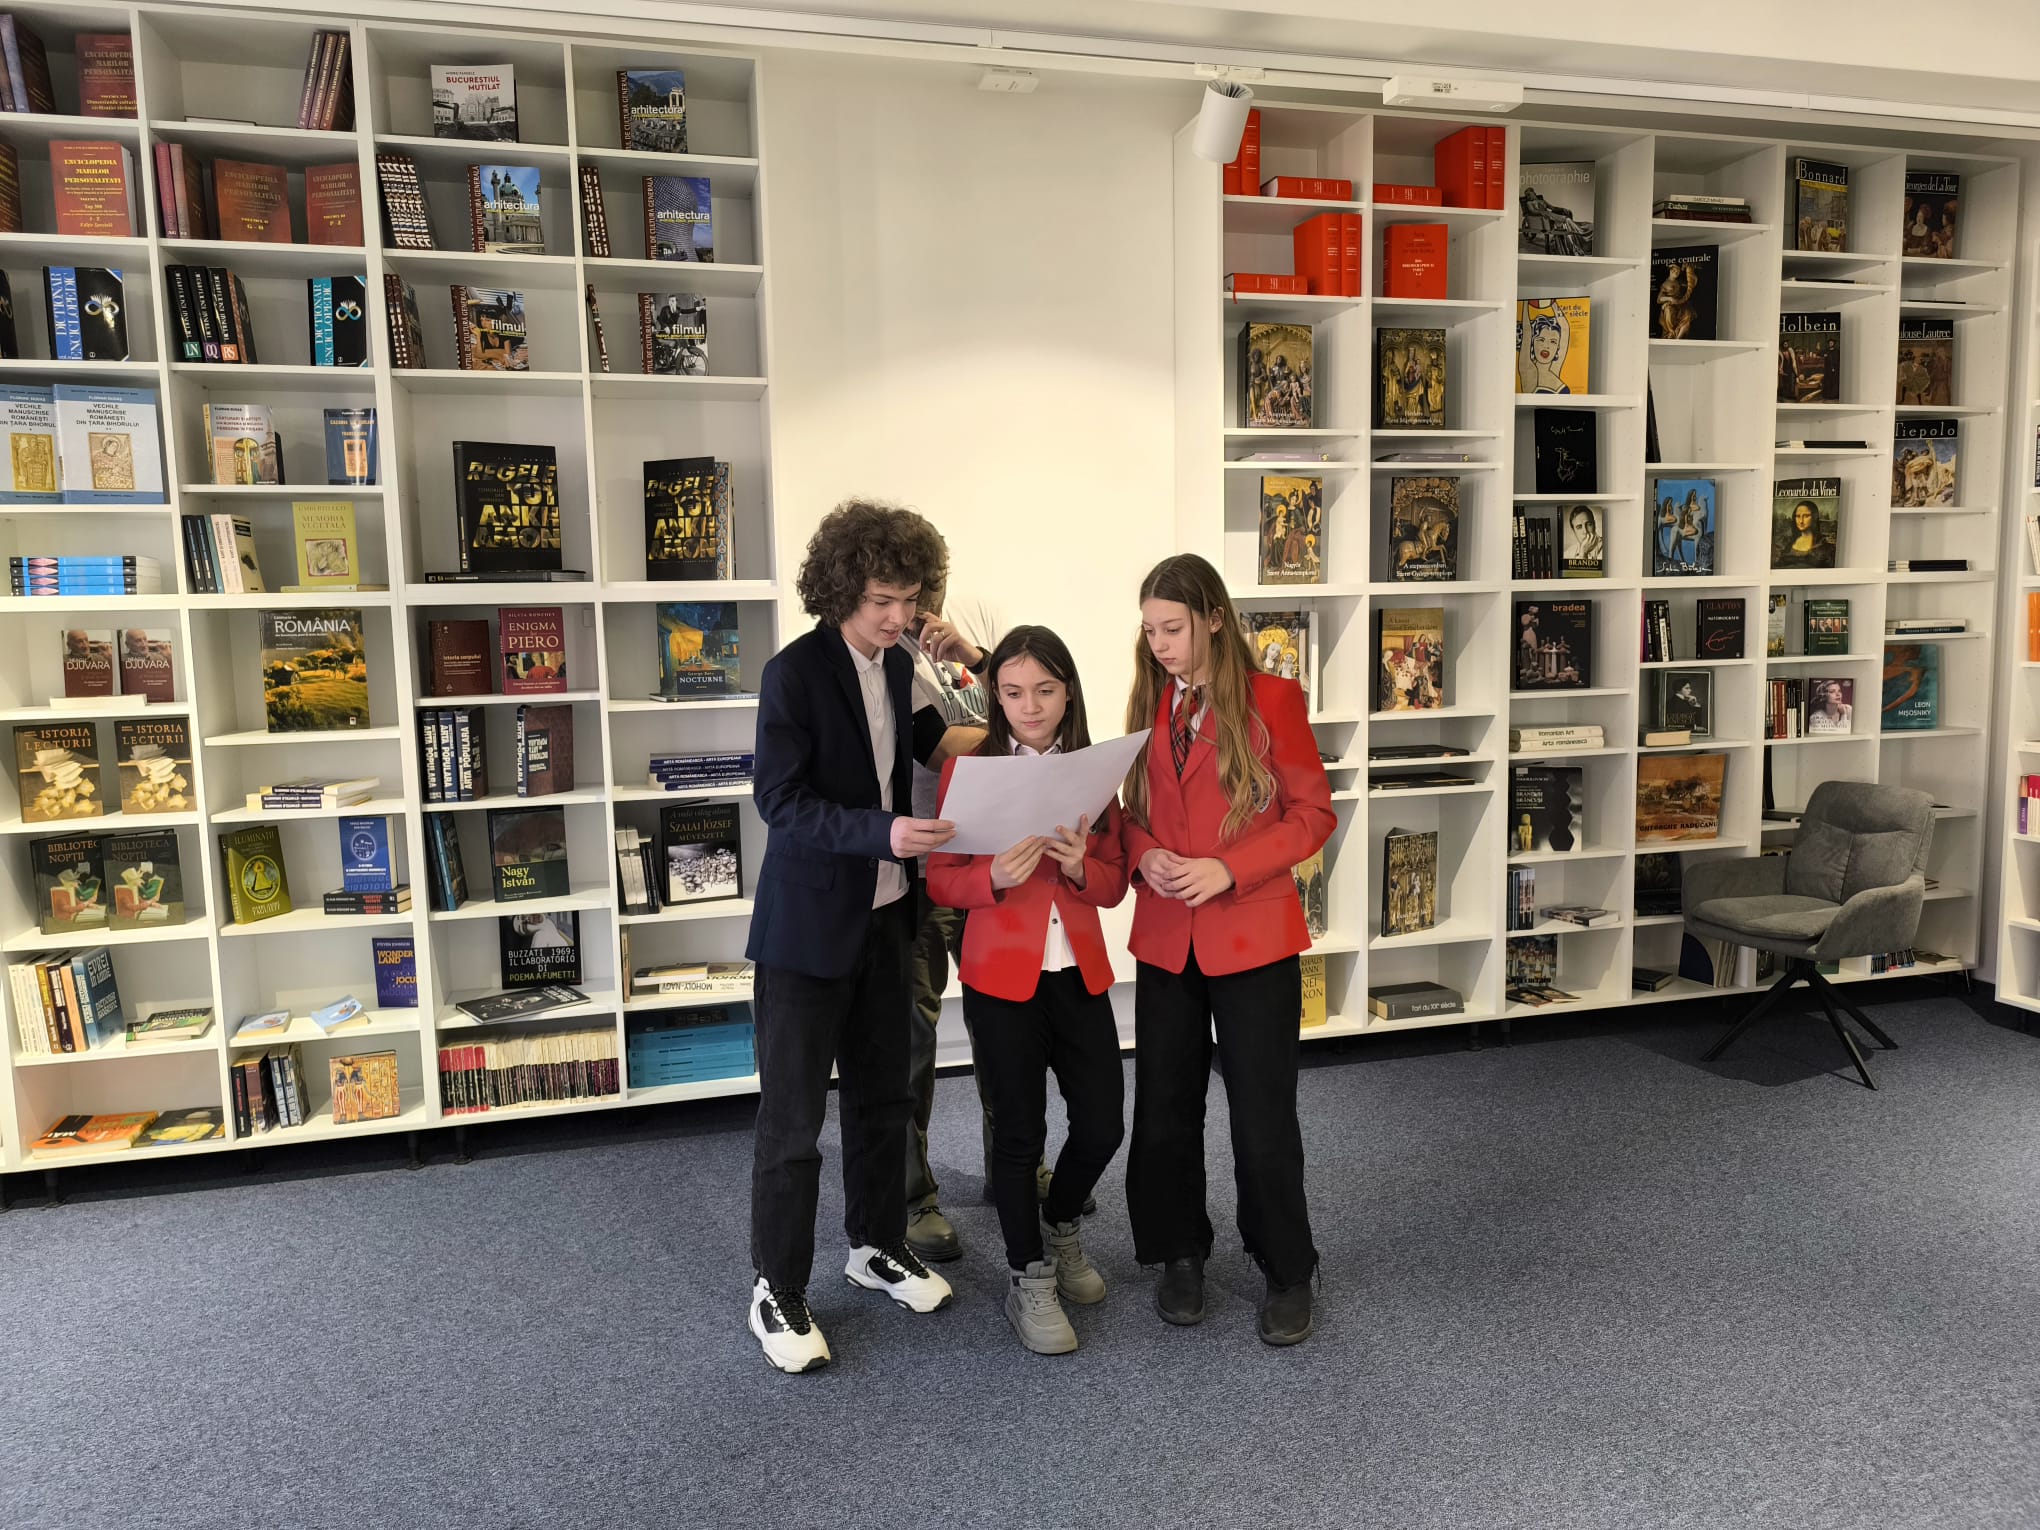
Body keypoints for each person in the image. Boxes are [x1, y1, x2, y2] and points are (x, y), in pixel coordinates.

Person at [743, 499, 980, 1375]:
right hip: (806, 933)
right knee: (793, 1121)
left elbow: (953, 746)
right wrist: (883, 832)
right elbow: (780, 801)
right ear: (842, 588)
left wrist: (982, 664)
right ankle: (776, 1286)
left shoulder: (903, 664)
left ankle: (876, 1244)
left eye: (910, 599)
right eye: (883, 599)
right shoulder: (793, 674)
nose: (898, 616)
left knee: (885, 1101)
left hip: (889, 921)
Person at [1118, 553, 1335, 1346]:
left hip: (1252, 932)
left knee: (1263, 1117)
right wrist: (1142, 853)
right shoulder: (1147, 699)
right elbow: (1126, 811)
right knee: (1163, 1112)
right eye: (1150, 630)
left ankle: (1288, 1268)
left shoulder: (1274, 699)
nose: (1159, 644)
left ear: (1213, 618)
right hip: (1166, 937)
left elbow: (1313, 816)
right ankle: (1179, 1253)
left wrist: (1228, 868)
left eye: (1172, 628)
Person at [927, 626, 1128, 1354]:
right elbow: (940, 879)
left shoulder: (1095, 773)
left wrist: (1078, 867)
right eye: (1013, 692)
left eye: (1044, 690)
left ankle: (1062, 1224)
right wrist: (991, 876)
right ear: (996, 695)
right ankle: (1029, 1274)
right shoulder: (968, 771)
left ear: (1068, 692)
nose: (1030, 706)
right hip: (1001, 978)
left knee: (1103, 1124)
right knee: (1018, 1136)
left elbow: (1113, 883)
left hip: (1078, 972)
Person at [897, 568, 996, 1264]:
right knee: (914, 1035)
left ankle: (1014, 1162)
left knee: (1005, 1022)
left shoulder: (965, 637)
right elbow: (938, 747)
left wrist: (979, 658)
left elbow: (1023, 692)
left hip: (988, 859)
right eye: (907, 594)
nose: (920, 607)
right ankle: (912, 1197)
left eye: (929, 589)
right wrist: (1019, 728)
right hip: (923, 873)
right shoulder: (883, 660)